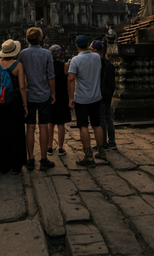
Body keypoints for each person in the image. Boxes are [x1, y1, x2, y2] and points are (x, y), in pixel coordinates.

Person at [0, 39, 28, 173]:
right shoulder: (18, 65)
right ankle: (15, 165)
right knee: (15, 132)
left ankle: (0, 165)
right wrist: (25, 105)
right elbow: (22, 87)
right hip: (14, 102)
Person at [19, 27, 56, 171]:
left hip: (28, 95)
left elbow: (21, 77)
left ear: (28, 39)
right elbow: (50, 76)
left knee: (30, 127)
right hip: (44, 94)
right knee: (43, 126)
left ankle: (30, 159)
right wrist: (53, 93)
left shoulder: (22, 54)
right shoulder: (46, 53)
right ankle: (44, 159)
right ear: (40, 39)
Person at [68, 35, 106, 167]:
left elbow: (71, 79)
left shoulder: (75, 60)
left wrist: (71, 98)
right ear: (88, 46)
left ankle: (89, 156)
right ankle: (101, 151)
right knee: (97, 124)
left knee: (83, 126)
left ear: (77, 46)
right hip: (96, 96)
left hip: (82, 98)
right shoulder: (97, 57)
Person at [90, 40, 116, 151]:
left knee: (102, 119)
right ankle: (112, 142)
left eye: (91, 50)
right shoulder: (108, 63)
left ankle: (103, 143)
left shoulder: (97, 63)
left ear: (96, 50)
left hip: (100, 93)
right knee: (108, 117)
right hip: (108, 93)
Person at [47, 44, 71, 156]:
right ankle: (61, 148)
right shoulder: (65, 66)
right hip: (62, 95)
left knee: (50, 122)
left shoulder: (48, 66)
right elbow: (69, 81)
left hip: (50, 95)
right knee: (61, 123)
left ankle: (49, 147)